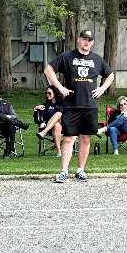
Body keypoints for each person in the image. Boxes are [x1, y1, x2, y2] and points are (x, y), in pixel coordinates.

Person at [44, 28, 114, 183]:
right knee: (69, 138)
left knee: (86, 138)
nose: (86, 42)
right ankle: (63, 171)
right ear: (79, 39)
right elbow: (48, 69)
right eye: (84, 39)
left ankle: (80, 170)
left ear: (92, 43)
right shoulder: (67, 57)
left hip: (90, 105)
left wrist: (102, 88)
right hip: (72, 105)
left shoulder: (97, 59)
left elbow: (110, 74)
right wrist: (59, 88)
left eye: (89, 40)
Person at [34, 86, 64, 157]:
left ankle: (43, 133)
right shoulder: (46, 105)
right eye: (46, 93)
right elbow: (37, 121)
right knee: (56, 125)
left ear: (55, 93)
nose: (47, 94)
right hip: (51, 128)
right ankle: (59, 152)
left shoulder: (63, 104)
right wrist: (35, 110)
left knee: (58, 113)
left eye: (49, 93)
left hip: (65, 127)